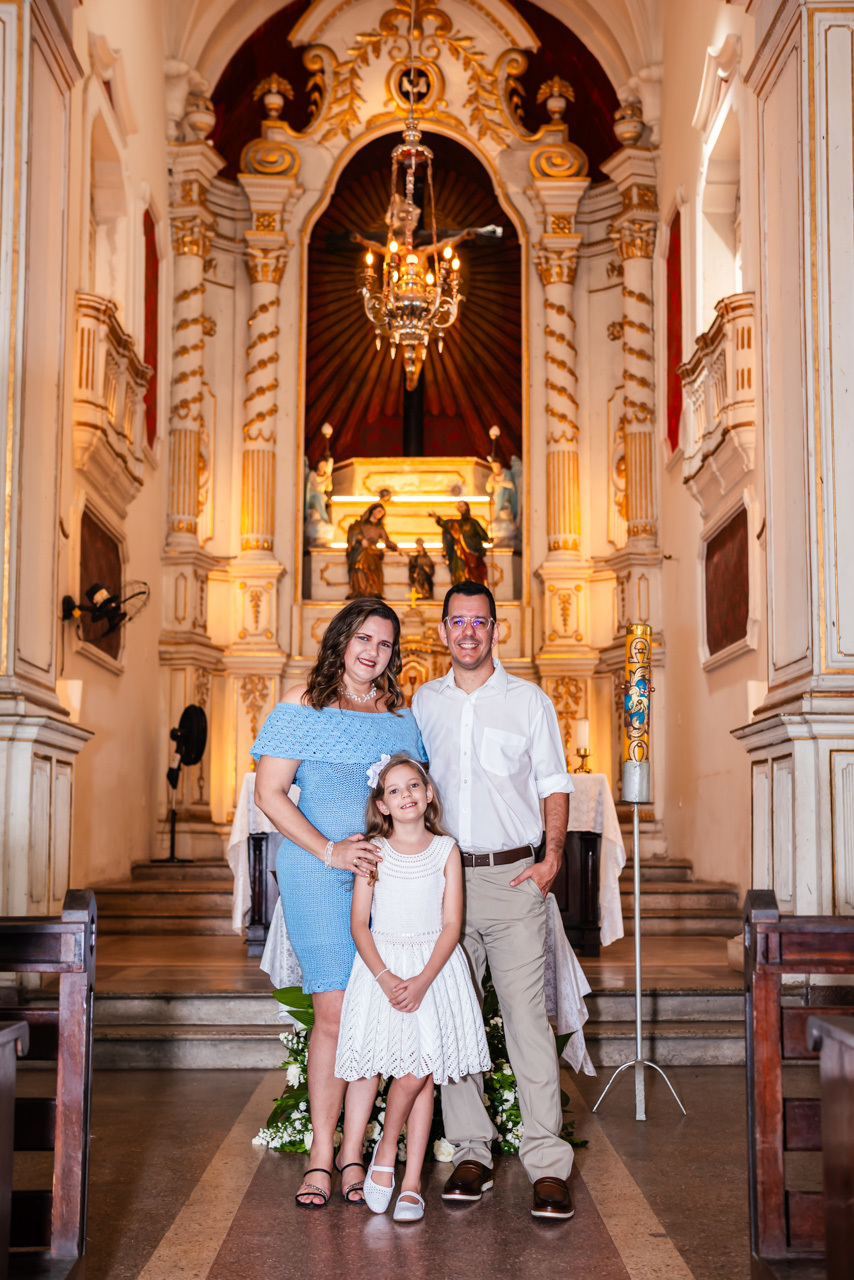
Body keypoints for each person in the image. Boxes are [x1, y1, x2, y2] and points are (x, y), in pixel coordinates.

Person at [252, 599, 426, 1210]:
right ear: (341, 641)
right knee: (334, 1011)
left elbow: (412, 801)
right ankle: (322, 1156)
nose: (372, 651)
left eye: (383, 643)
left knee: (376, 1012)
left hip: (387, 879)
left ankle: (356, 1154)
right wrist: (329, 850)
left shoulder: (401, 719)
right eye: (362, 638)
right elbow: (269, 794)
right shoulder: (303, 704)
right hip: (319, 874)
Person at [411, 580, 576, 1221]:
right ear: (445, 630)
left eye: (481, 621)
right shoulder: (423, 704)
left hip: (512, 882)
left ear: (496, 630)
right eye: (459, 622)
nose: (470, 632)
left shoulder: (529, 701)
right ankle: (471, 1151)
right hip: (444, 881)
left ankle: (547, 1162)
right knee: (456, 1022)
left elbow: (553, 783)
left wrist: (552, 858)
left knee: (528, 1023)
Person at [334, 753, 490, 1222]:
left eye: (413, 786)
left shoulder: (446, 851)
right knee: (404, 1071)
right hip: (382, 970)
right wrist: (387, 978)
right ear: (381, 804)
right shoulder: (373, 852)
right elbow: (360, 924)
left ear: (428, 794)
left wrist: (423, 980)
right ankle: (404, 1177)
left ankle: (400, 1166)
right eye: (394, 790)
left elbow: (451, 924)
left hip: (433, 970)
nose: (405, 796)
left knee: (422, 1067)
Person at [429, 501, 490, 586]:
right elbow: (446, 524)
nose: (460, 508)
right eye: (459, 507)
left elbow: (483, 534)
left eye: (461, 506)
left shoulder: (473, 522)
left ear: (466, 507)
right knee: (460, 571)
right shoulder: (457, 523)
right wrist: (437, 518)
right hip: (460, 552)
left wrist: (488, 539)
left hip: (472, 552)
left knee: (474, 573)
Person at [346, 503, 398, 599]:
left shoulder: (379, 527)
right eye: (378, 511)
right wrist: (361, 539)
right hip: (360, 549)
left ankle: (373, 590)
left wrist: (397, 548)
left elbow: (387, 540)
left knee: (373, 562)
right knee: (359, 561)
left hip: (373, 551)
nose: (380, 514)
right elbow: (353, 532)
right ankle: (360, 590)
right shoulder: (360, 524)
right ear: (372, 511)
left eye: (382, 512)